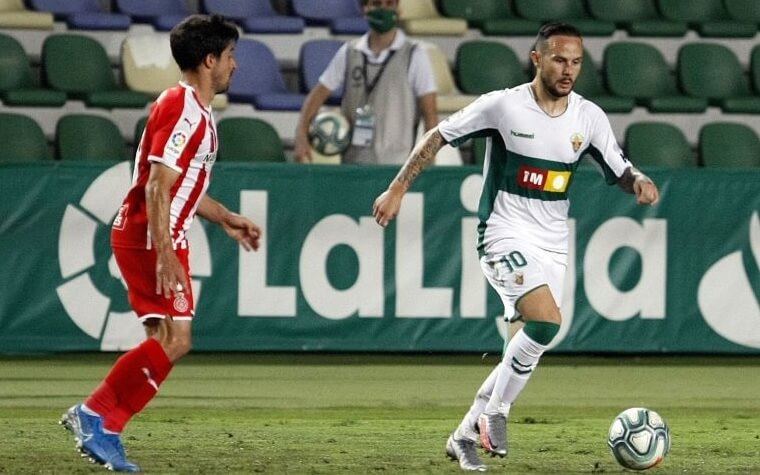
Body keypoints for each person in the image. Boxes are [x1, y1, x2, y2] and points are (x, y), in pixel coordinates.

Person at [372, 22, 660, 472]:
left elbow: (619, 167)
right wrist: (396, 189)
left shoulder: (587, 117)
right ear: (537, 58)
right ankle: (494, 414)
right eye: (559, 59)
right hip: (502, 232)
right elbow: (438, 136)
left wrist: (639, 181)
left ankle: (462, 437)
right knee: (547, 321)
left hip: (552, 244)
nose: (568, 70)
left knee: (521, 350)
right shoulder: (504, 106)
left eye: (576, 62)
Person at [59, 14, 261, 473]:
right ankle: (94, 416)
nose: (235, 65)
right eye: (230, 56)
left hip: (161, 232)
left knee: (166, 340)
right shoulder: (181, 105)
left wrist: (225, 216)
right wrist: (165, 251)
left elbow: (181, 185)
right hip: (151, 235)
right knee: (176, 338)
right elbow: (156, 186)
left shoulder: (197, 110)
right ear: (209, 60)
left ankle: (104, 428)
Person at [294, 0, 438, 165]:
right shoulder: (350, 52)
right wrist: (301, 135)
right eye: (377, 3)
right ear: (364, 9)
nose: (383, 9)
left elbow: (430, 114)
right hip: (354, 166)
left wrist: (428, 162)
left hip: (398, 167)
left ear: (398, 9)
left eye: (389, 3)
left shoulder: (414, 54)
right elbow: (318, 94)